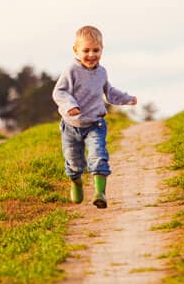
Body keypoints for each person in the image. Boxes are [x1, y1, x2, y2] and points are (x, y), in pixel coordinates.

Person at [52, 25, 136, 208]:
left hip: (95, 124)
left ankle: (100, 193)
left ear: (102, 50)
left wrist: (127, 99)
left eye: (96, 50)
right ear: (76, 50)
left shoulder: (101, 72)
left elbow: (110, 92)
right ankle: (75, 180)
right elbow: (59, 92)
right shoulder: (71, 71)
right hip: (71, 126)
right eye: (86, 50)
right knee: (74, 162)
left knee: (98, 156)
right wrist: (70, 106)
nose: (91, 55)